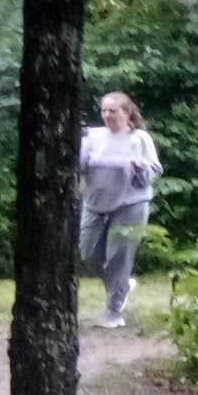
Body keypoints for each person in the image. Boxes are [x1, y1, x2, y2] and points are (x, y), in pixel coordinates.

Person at [78, 90, 161, 330]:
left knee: (118, 258)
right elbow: (80, 166)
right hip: (95, 203)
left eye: (112, 111)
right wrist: (76, 142)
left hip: (131, 204)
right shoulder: (92, 136)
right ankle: (122, 285)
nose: (107, 115)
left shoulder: (140, 138)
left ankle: (113, 312)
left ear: (126, 113)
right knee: (86, 253)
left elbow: (154, 171)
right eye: (104, 110)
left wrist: (140, 168)